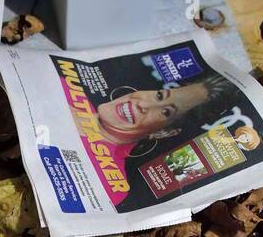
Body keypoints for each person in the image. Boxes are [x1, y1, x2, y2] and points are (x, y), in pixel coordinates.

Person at [91, 75, 237, 212]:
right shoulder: (70, 88)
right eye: (159, 95)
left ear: (164, 132)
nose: (143, 104)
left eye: (166, 112)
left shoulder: (112, 186)